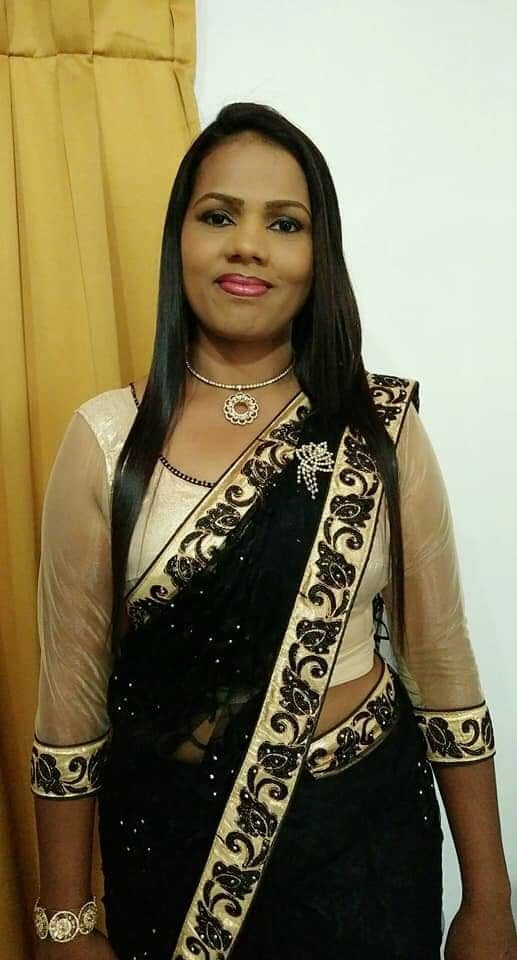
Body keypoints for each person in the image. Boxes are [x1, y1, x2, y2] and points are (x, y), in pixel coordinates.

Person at [31, 102, 515, 960]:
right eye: (218, 216)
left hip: (365, 847)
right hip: (174, 856)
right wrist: (66, 921)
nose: (247, 246)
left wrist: (489, 900)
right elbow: (71, 697)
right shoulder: (108, 441)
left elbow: (441, 666)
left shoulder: (377, 430)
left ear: (317, 254)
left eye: (283, 224)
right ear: (179, 239)